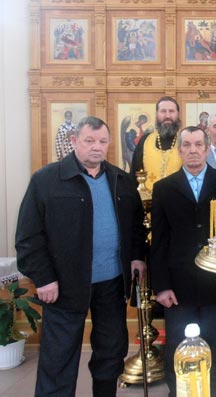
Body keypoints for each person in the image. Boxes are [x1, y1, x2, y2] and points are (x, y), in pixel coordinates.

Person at [15, 116, 147, 396]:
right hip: (63, 286)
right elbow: (28, 237)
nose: (96, 147)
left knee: (110, 355)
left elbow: (135, 227)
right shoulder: (47, 180)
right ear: (74, 141)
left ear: (109, 144)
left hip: (111, 284)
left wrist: (136, 257)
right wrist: (44, 278)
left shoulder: (121, 180)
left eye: (102, 141)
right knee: (59, 360)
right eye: (89, 141)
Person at [151, 126, 216, 397]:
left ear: (207, 148)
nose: (192, 150)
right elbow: (159, 241)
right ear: (179, 151)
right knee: (179, 349)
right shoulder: (164, 188)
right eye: (186, 145)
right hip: (178, 287)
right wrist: (161, 286)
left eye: (198, 144)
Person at [131, 96, 183, 190]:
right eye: (163, 111)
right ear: (157, 114)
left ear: (178, 114)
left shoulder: (185, 141)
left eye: (171, 111)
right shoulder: (145, 141)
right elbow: (134, 174)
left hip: (179, 202)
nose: (167, 116)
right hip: (148, 202)